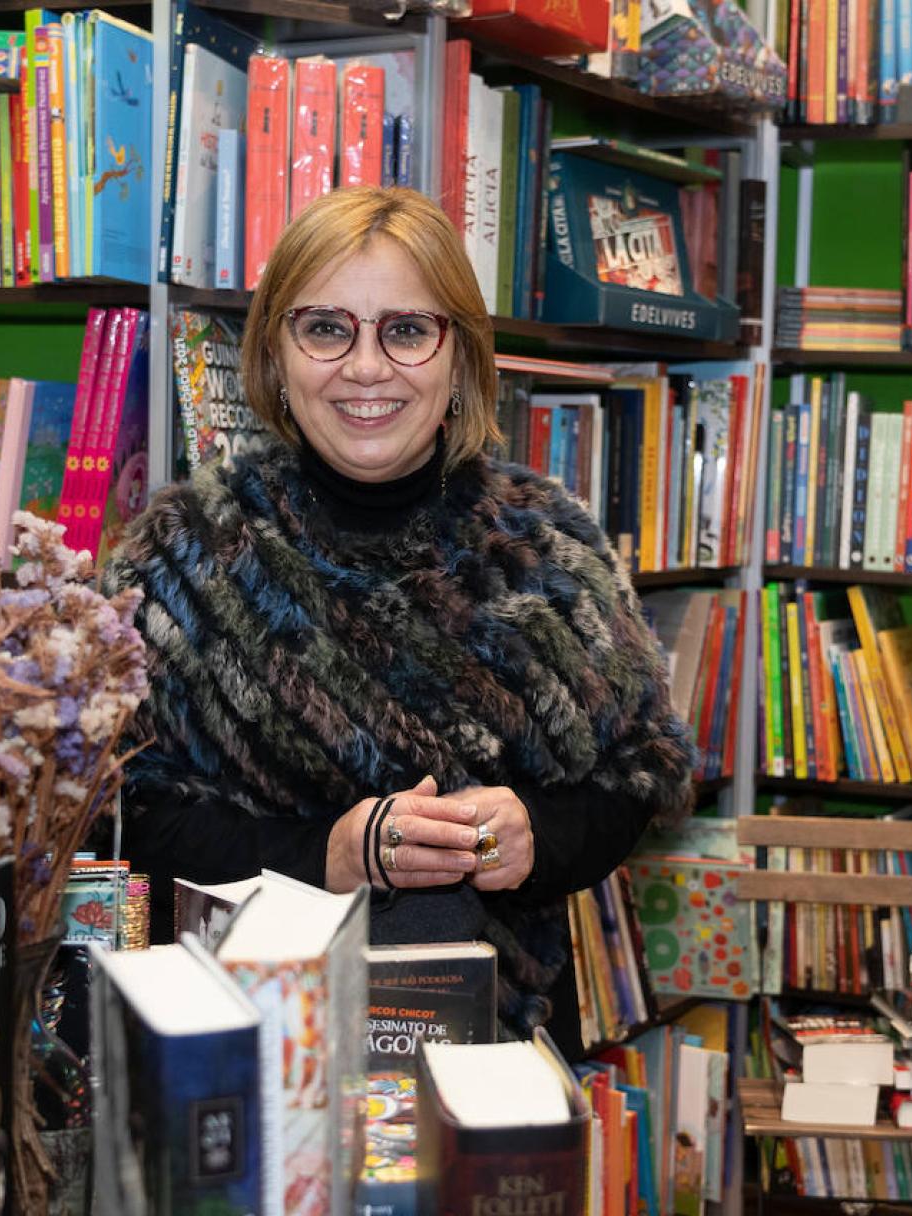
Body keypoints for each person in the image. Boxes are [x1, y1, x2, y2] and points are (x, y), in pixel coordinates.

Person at [104, 186, 695, 1054]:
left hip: (499, 1048)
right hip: (241, 1043)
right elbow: (122, 814)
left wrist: (538, 834)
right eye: (326, 328)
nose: (366, 367)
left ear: (459, 356)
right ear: (276, 351)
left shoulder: (548, 545)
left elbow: (638, 778)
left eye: (407, 331)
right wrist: (332, 854)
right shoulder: (181, 556)